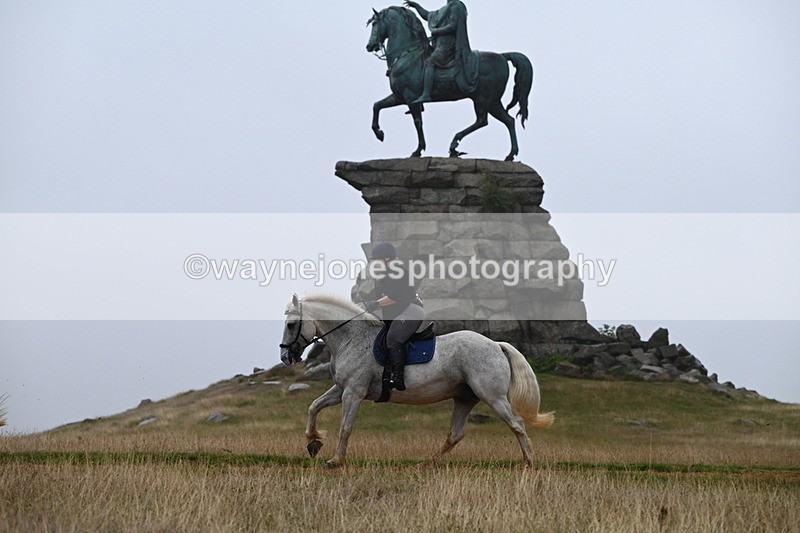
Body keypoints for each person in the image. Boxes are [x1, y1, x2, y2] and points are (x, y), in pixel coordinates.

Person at [363, 241, 425, 391]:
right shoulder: (384, 275)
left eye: (377, 260)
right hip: (399, 312)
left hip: (411, 310)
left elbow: (395, 297)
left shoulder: (397, 271)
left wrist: (375, 304)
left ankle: (398, 378)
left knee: (392, 338)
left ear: (387, 258)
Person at [404, 0, 479, 104]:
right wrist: (416, 6)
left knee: (430, 62)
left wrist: (436, 31)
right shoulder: (443, 10)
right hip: (439, 45)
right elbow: (428, 15)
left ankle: (426, 94)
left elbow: (453, 26)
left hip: (448, 45)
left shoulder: (456, 6)